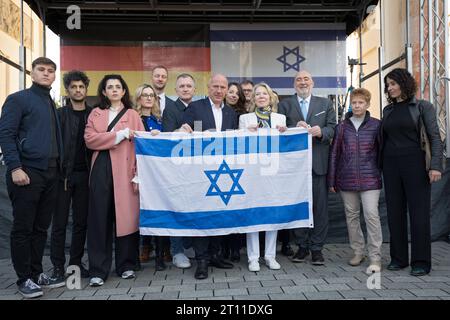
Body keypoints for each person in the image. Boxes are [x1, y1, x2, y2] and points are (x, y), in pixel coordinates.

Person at [0, 57, 65, 298]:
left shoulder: (50, 102)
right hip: (27, 172)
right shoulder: (18, 99)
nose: (46, 74)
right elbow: (5, 134)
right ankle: (23, 278)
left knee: (40, 229)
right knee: (23, 228)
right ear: (32, 73)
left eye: (51, 71)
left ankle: (37, 273)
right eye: (42, 70)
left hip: (51, 173)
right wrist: (15, 167)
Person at [381, 68, 443, 276]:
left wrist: (435, 165)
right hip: (390, 166)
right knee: (394, 213)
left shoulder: (423, 106)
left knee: (419, 214)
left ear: (404, 83)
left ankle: (421, 261)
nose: (390, 88)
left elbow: (434, 137)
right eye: (388, 85)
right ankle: (398, 258)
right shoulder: (387, 111)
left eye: (393, 84)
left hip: (415, 164)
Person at [85, 74, 145, 286]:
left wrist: (138, 175)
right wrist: (119, 135)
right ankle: (98, 271)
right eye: (109, 87)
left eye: (118, 86)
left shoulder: (133, 114)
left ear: (124, 91)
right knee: (99, 219)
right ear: (103, 91)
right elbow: (90, 140)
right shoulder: (96, 113)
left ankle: (127, 265)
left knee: (126, 218)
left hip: (126, 170)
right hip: (101, 167)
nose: (114, 90)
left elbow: (141, 146)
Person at [180, 74, 238, 279]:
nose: (219, 90)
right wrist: (204, 133)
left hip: (222, 171)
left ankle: (215, 254)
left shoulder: (231, 112)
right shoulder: (195, 108)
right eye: (216, 86)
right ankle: (202, 260)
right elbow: (188, 134)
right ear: (208, 87)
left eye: (223, 87)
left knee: (219, 213)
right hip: (200, 171)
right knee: (202, 215)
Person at [278, 70, 336, 265]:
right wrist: (294, 127)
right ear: (294, 85)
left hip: (318, 164)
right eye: (298, 80)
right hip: (294, 167)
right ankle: (302, 246)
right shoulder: (284, 104)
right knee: (299, 207)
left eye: (306, 79)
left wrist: (322, 132)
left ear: (313, 82)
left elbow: (333, 128)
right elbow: (280, 130)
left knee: (319, 209)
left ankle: (317, 249)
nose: (302, 82)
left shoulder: (325, 103)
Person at [328, 88, 383, 274]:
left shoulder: (377, 125)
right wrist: (332, 180)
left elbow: (383, 152)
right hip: (346, 178)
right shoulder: (342, 127)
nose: (357, 105)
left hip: (370, 179)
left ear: (368, 104)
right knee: (351, 217)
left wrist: (380, 173)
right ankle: (358, 252)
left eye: (361, 102)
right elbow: (335, 154)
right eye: (354, 102)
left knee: (371, 215)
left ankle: (375, 257)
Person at [238, 82, 287, 271]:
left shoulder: (280, 118)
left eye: (264, 93)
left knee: (272, 211)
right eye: (257, 94)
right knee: (253, 211)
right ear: (253, 98)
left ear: (270, 96)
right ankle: (252, 257)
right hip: (252, 171)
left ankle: (270, 255)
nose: (260, 96)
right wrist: (245, 132)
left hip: (273, 171)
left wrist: (286, 133)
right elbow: (238, 142)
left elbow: (286, 146)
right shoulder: (244, 118)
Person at [50, 70, 92, 283]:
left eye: (81, 86)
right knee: (58, 223)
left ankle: (75, 263)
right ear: (68, 90)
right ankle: (57, 266)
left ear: (86, 89)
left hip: (85, 176)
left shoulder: (93, 114)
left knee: (81, 222)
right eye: (74, 87)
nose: (78, 90)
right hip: (63, 177)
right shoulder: (59, 114)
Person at [134, 83, 175, 271]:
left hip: (159, 173)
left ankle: (162, 251)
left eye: (152, 95)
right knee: (144, 209)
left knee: (161, 208)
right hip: (140, 172)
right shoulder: (133, 118)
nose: (149, 98)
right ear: (139, 98)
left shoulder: (160, 119)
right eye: (145, 95)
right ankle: (145, 247)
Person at [162, 73, 196, 269]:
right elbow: (167, 138)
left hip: (195, 168)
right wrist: (178, 132)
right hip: (176, 168)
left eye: (188, 86)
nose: (185, 89)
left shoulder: (199, 108)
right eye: (181, 86)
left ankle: (189, 245)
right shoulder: (170, 110)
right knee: (177, 207)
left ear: (194, 89)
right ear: (176, 90)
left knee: (192, 207)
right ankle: (177, 251)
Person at [221, 81, 247, 262]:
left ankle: (236, 248)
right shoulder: (217, 111)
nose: (233, 95)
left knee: (236, 207)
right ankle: (223, 248)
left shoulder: (244, 116)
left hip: (238, 163)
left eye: (236, 93)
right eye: (230, 92)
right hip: (219, 163)